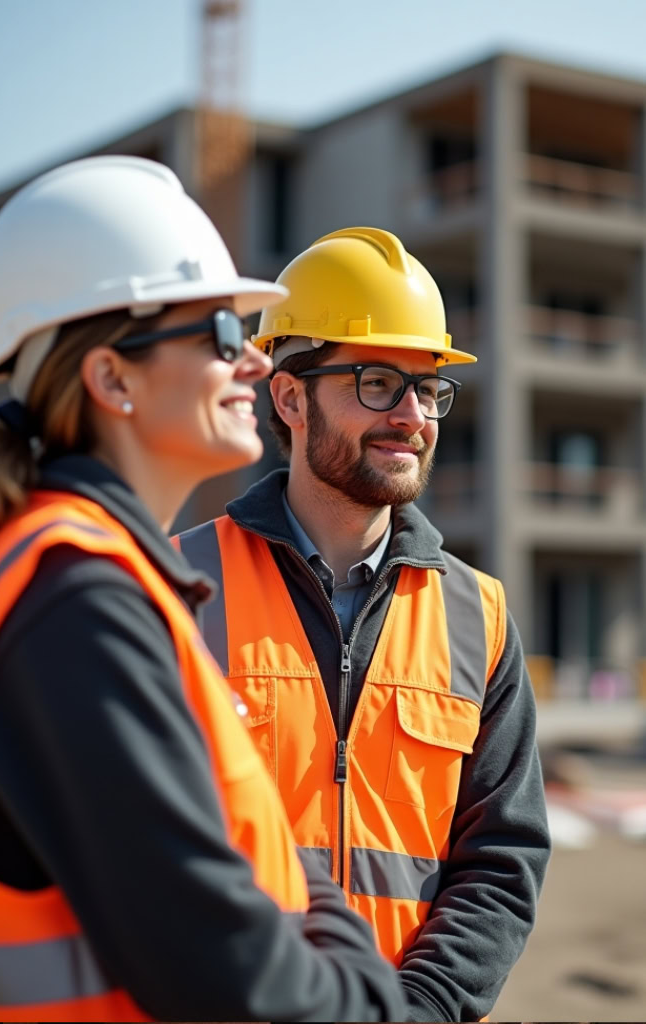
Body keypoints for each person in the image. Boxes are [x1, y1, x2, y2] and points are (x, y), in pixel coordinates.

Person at [0, 161, 407, 1023]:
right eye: (214, 329)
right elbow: (231, 978)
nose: (250, 357)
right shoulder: (76, 608)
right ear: (111, 379)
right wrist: (369, 996)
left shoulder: (109, 585)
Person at [176, 226, 552, 1023]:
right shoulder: (178, 588)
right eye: (378, 381)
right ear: (288, 396)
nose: (412, 416)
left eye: (428, 388)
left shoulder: (476, 615)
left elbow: (499, 858)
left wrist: (417, 1009)